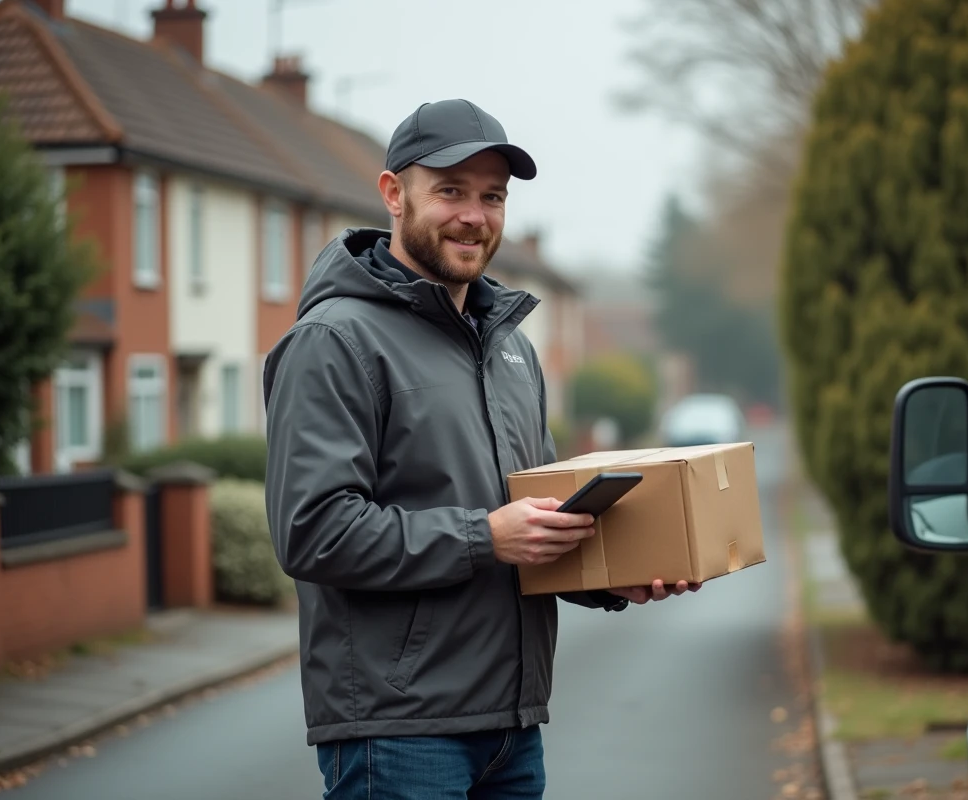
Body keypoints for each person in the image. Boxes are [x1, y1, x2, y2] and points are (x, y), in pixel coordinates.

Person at [263, 99, 701, 800]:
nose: (475, 215)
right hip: (398, 733)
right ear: (394, 194)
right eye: (451, 191)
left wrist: (610, 579)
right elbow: (313, 532)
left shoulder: (511, 349)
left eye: (492, 197)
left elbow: (539, 519)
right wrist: (484, 536)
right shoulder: (335, 340)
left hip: (511, 729)